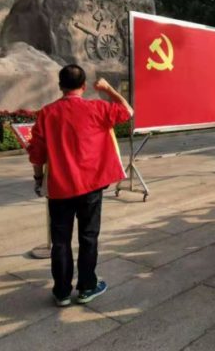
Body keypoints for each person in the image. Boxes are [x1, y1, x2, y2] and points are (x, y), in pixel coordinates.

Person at [28, 65, 133, 307]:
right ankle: (87, 287)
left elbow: (37, 153)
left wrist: (38, 179)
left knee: (60, 241)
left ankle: (62, 292)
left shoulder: (47, 113)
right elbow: (128, 111)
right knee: (88, 237)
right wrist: (108, 89)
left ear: (60, 86)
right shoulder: (97, 108)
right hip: (91, 186)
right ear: (84, 86)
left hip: (59, 189)